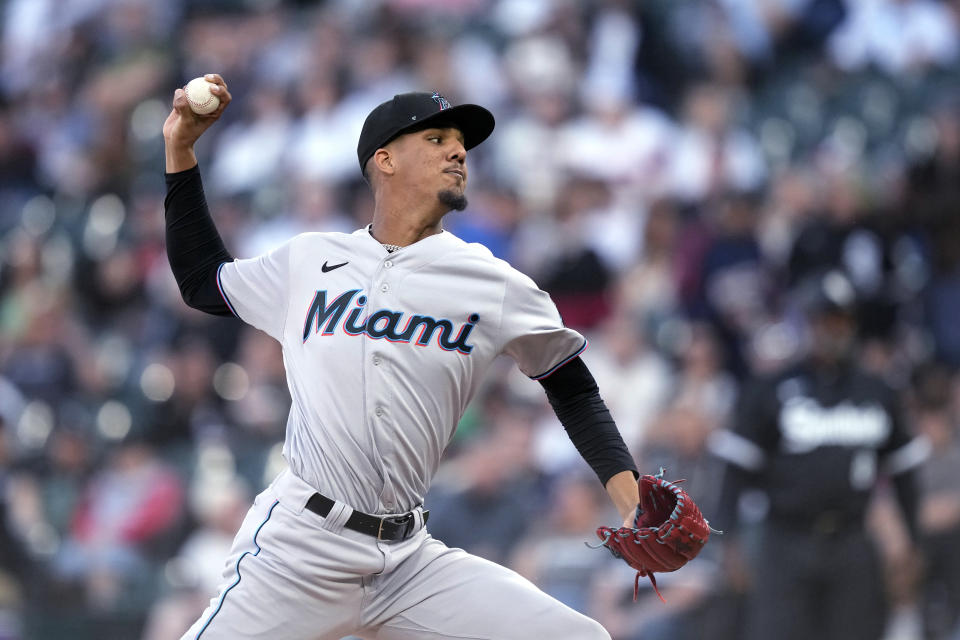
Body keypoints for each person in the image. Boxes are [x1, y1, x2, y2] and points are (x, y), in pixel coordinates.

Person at [162, 75, 642, 639]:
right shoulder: (311, 260)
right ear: (384, 160)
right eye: (437, 139)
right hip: (300, 549)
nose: (459, 150)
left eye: (460, 142)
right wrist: (181, 150)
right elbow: (203, 282)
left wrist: (631, 501)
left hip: (409, 561)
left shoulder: (492, 283)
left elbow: (572, 386)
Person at [710, 269, 929, 640]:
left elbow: (905, 474)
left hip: (853, 542)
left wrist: (912, 544)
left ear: (852, 324)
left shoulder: (878, 392)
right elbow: (736, 471)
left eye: (840, 319)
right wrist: (726, 542)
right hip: (785, 541)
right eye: (822, 319)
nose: (831, 329)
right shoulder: (771, 389)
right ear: (806, 324)